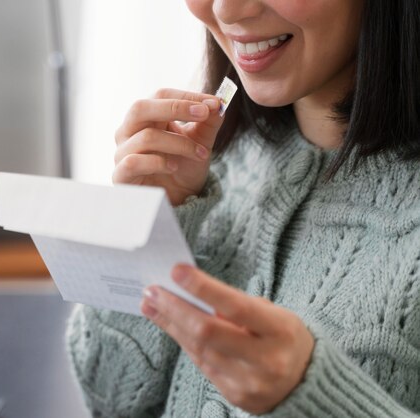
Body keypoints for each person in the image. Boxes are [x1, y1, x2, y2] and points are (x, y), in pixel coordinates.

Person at [66, 0, 420, 416]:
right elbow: (107, 399)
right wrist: (149, 234)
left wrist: (312, 393)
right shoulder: (207, 168)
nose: (226, 9)